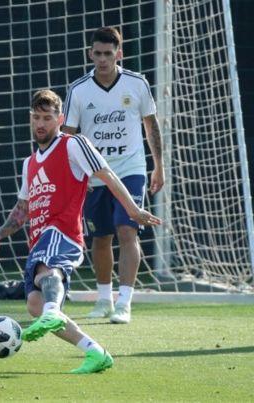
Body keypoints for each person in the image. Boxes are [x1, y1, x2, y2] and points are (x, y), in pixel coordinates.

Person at [0, 89, 161, 373]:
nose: (41, 124)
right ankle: (95, 352)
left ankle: (54, 311)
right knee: (34, 305)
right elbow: (22, 210)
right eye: (36, 117)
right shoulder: (29, 163)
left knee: (46, 274)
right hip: (39, 238)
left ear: (60, 119)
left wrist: (133, 210)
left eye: (48, 118)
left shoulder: (73, 144)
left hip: (62, 231)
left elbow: (107, 175)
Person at [61, 26, 164, 324]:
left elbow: (151, 125)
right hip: (94, 175)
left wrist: (158, 165)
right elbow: (68, 137)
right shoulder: (78, 90)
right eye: (98, 53)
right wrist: (75, 175)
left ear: (119, 53)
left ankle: (124, 303)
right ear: (89, 54)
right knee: (101, 236)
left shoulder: (137, 83)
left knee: (127, 230)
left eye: (109, 53)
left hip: (130, 170)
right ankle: (104, 299)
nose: (103, 59)